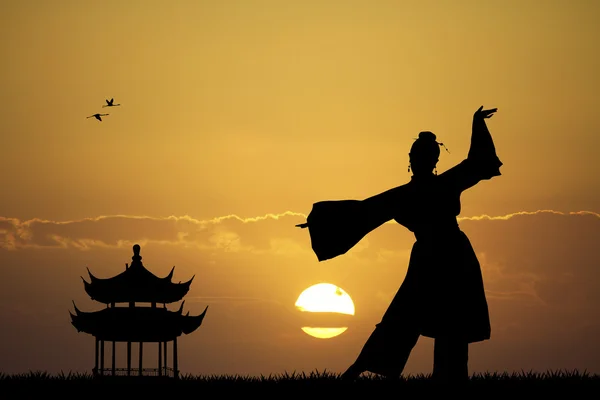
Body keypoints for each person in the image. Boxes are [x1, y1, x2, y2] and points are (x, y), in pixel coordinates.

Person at [296, 106, 502, 382]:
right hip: (436, 256)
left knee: (449, 321)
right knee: (403, 316)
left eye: (423, 156)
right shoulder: (413, 193)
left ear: (430, 159)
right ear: (413, 160)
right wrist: (318, 221)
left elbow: (478, 163)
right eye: (417, 156)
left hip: (451, 256)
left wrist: (477, 123)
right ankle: (359, 369)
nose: (419, 160)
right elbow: (362, 212)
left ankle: (447, 379)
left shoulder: (432, 187)